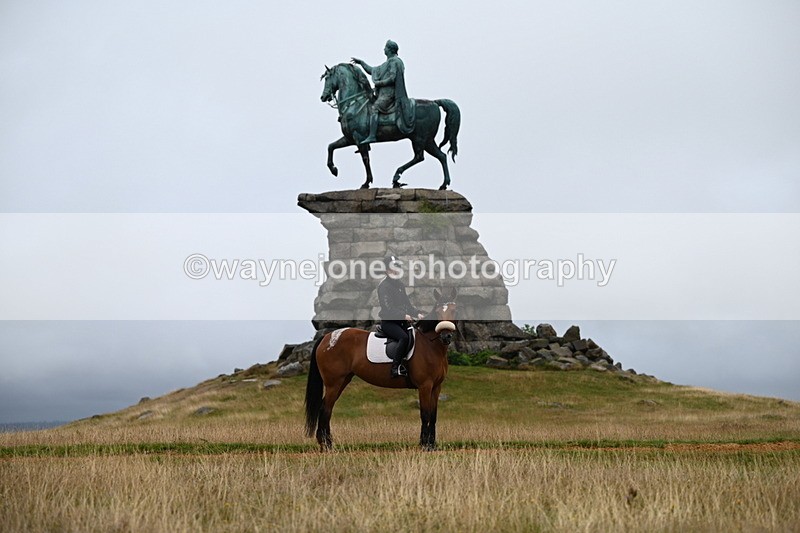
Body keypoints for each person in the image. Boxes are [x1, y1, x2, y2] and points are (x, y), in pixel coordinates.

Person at [351, 39, 415, 144]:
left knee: (374, 108)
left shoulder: (395, 61)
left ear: (390, 49)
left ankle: (372, 136)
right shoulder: (387, 63)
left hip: (389, 94)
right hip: (383, 94)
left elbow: (392, 78)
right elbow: (372, 70)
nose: (383, 49)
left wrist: (379, 83)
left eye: (385, 47)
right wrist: (361, 63)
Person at [377, 255, 424, 377]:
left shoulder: (400, 285)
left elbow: (407, 305)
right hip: (389, 323)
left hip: (402, 322)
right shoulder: (383, 286)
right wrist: (403, 316)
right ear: (387, 270)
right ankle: (395, 368)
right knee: (404, 338)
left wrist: (417, 313)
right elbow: (388, 308)